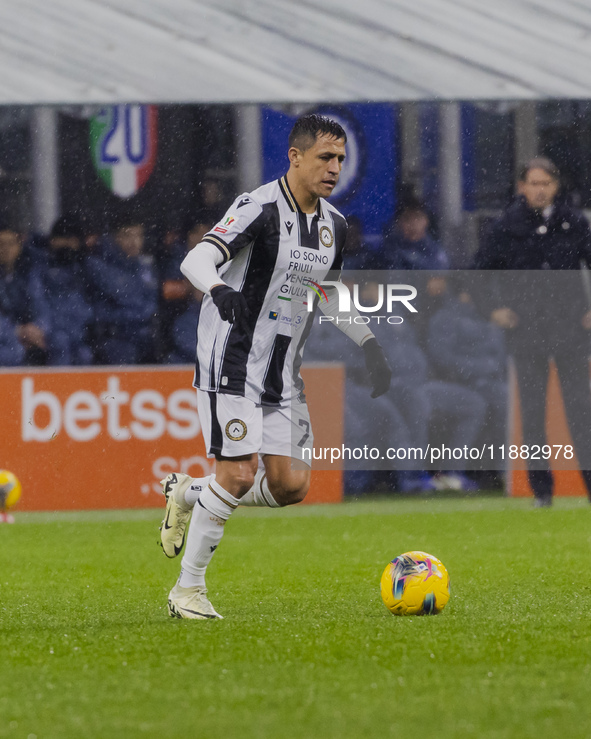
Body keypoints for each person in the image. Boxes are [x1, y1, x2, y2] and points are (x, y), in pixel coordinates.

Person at [158, 114, 392, 620]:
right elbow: (196, 260)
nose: (334, 168)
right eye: (326, 158)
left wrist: (368, 340)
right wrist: (218, 288)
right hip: (233, 362)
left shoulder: (335, 226)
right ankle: (187, 592)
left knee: (290, 486)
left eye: (341, 160)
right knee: (239, 473)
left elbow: (324, 292)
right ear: (296, 157)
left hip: (282, 374)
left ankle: (189, 492)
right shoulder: (258, 208)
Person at [473, 157, 591, 506]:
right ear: (522, 186)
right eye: (534, 184)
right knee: (533, 414)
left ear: (556, 186)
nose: (540, 191)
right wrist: (493, 309)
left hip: (570, 330)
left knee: (581, 412)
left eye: (546, 184)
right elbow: (478, 273)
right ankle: (541, 491)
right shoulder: (505, 226)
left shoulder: (574, 221)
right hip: (527, 333)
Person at [85, 215, 158, 365]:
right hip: (114, 338)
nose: (134, 242)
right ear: (115, 238)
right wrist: (139, 313)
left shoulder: (145, 266)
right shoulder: (98, 265)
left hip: (146, 336)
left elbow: (152, 301)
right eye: (127, 235)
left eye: (139, 235)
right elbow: (125, 296)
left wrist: (144, 313)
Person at [39, 215, 94, 366]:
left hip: (82, 333)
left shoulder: (87, 267)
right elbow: (38, 301)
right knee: (60, 346)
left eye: (73, 240)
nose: (68, 244)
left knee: (85, 355)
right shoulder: (42, 266)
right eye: (63, 238)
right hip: (54, 332)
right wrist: (45, 327)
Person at [0, 223, 50, 365]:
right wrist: (18, 331)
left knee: (60, 342)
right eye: (1, 244)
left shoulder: (29, 274)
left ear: (19, 246)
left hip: (29, 336)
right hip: (7, 337)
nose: (6, 249)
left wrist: (38, 328)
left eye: (11, 243)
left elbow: (40, 305)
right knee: (14, 351)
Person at [379, 199, 450, 271]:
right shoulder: (388, 251)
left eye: (418, 217)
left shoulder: (435, 250)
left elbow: (440, 274)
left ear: (426, 221)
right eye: (407, 219)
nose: (413, 223)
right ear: (398, 223)